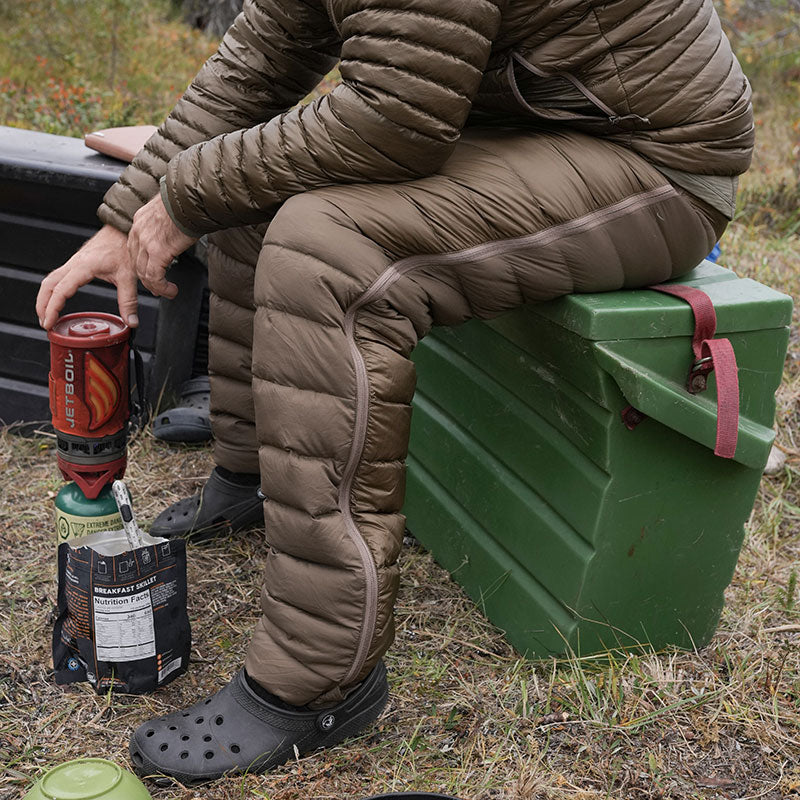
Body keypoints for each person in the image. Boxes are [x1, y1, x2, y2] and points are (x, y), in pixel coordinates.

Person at [36, 0, 753, 785]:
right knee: (251, 185)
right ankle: (250, 478)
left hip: (650, 155)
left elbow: (399, 118)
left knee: (325, 251)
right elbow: (255, 64)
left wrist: (184, 197)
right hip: (524, 121)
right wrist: (129, 214)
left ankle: (318, 676)